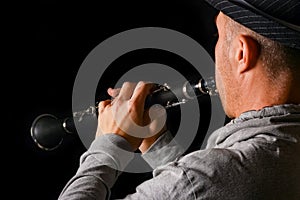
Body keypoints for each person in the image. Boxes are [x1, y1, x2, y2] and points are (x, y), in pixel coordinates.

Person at [58, 0, 300, 199]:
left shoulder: (206, 179)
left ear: (241, 53)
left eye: (218, 35)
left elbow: (200, 186)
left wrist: (109, 145)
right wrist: (157, 145)